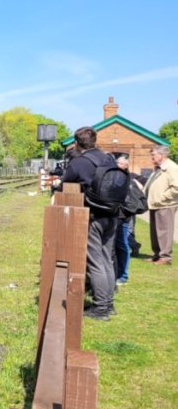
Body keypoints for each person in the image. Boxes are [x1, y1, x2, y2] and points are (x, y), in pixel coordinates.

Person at [58, 127, 118, 320]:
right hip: (113, 213)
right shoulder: (108, 158)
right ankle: (108, 303)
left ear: (77, 143)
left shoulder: (79, 162)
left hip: (94, 215)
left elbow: (64, 184)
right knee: (107, 258)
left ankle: (101, 308)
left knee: (95, 260)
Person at [144, 145, 178, 265]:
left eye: (153, 155)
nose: (151, 157)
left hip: (165, 205)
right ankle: (157, 255)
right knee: (155, 231)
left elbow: (176, 187)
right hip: (156, 204)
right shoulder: (159, 168)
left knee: (164, 231)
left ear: (162, 155)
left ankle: (165, 257)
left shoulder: (172, 167)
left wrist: (162, 197)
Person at [113, 155, 133, 285]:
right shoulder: (115, 176)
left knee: (122, 245)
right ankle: (116, 273)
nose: (117, 165)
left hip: (123, 216)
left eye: (120, 163)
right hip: (116, 215)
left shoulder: (127, 178)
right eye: (117, 163)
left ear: (126, 165)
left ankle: (123, 275)